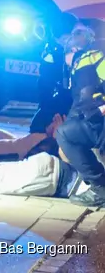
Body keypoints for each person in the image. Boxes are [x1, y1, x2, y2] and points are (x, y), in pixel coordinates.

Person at [54, 25, 105, 206]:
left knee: (64, 134)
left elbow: (85, 100)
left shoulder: (87, 61)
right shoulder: (93, 59)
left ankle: (101, 189)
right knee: (67, 131)